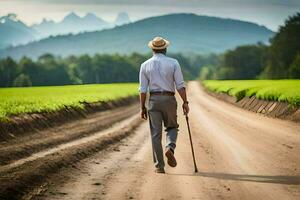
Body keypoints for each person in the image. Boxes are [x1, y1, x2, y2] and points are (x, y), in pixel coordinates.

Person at [139, 36, 189, 173]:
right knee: (172, 127)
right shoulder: (173, 63)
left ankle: (159, 167)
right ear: (165, 48)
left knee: (155, 134)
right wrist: (185, 102)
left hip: (154, 100)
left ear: (152, 49)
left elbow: (143, 90)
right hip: (169, 99)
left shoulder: (145, 65)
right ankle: (170, 147)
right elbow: (180, 85)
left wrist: (142, 107)